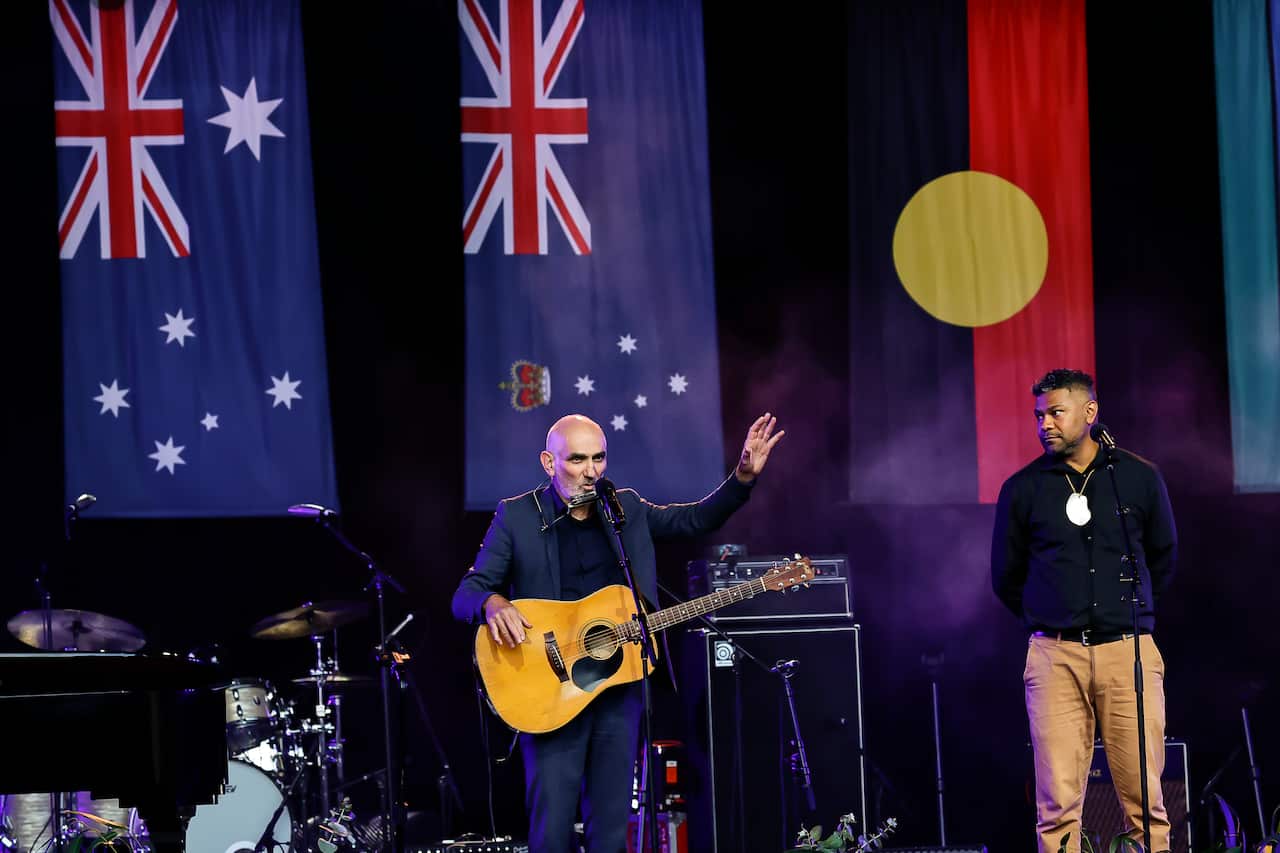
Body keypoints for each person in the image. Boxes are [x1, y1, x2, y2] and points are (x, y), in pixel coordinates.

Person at [453, 412, 784, 853]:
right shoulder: (516, 516)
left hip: (618, 690)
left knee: (611, 830)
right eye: (577, 460)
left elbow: (694, 520)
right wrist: (492, 603)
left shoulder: (624, 509)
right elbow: (467, 592)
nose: (591, 471)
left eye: (599, 458)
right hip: (549, 693)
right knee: (550, 833)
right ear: (549, 463)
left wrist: (741, 478)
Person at [991, 369, 1178, 853]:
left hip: (1127, 652)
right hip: (1054, 657)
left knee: (1146, 803)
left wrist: (1125, 619)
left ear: (1089, 413)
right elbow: (1005, 577)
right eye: (1038, 415)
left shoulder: (1137, 478)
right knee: (1056, 809)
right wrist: (1051, 617)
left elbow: (1163, 558)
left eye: (1056, 412)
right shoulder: (1022, 489)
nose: (1044, 424)